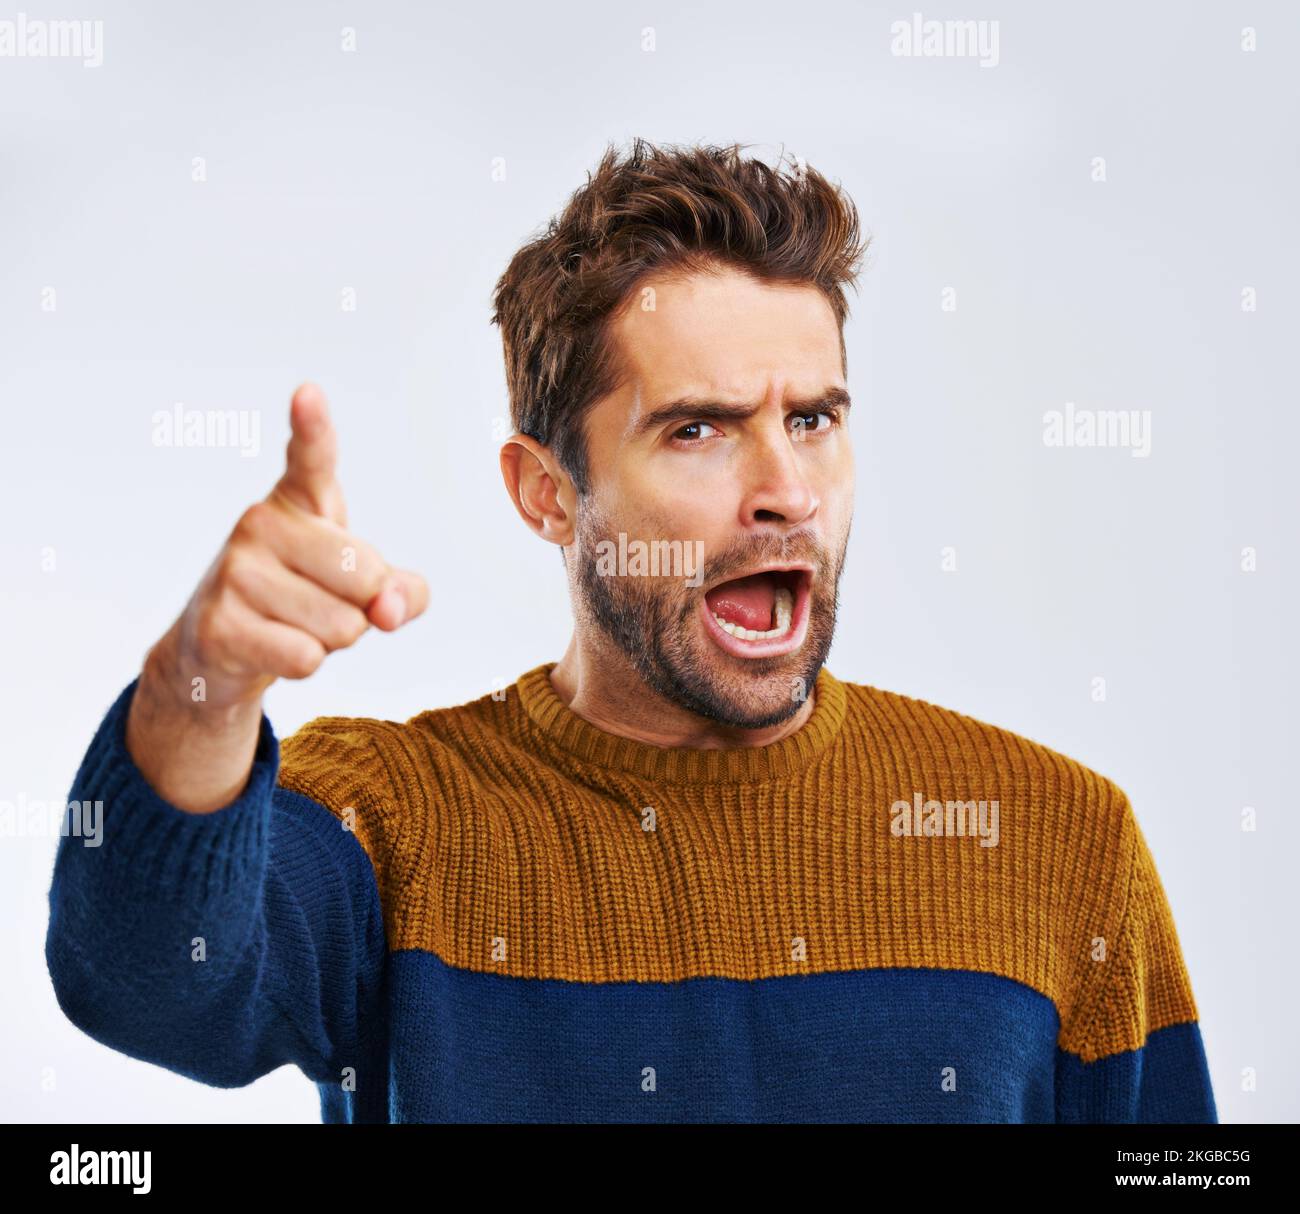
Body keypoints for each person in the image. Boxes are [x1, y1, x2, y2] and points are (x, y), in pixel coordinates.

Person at [45, 139, 1216, 1123]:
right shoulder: (390, 821)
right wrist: (200, 679)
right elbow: (139, 981)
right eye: (699, 430)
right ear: (547, 491)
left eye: (812, 418)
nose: (787, 490)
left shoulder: (1059, 835)